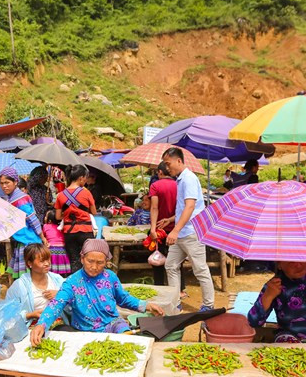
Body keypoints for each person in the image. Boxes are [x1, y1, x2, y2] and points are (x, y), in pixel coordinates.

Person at [29, 239, 164, 345]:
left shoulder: (110, 277)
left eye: (100, 262)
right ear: (82, 258)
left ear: (107, 261)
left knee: (127, 340)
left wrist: (147, 305)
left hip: (113, 324)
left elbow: (123, 298)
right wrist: (41, 324)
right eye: (90, 261)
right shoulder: (72, 282)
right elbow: (56, 304)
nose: (94, 267)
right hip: (85, 331)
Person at [5, 244, 67, 377]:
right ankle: (25, 375)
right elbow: (7, 312)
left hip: (57, 322)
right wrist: (30, 314)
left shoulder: (57, 280)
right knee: (31, 339)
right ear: (29, 264)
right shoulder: (19, 286)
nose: (47, 264)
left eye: (48, 260)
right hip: (31, 323)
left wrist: (59, 295)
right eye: (42, 261)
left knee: (61, 338)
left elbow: (72, 300)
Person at [163, 147, 215, 310]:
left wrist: (175, 230)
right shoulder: (181, 179)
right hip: (181, 232)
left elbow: (190, 206)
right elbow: (185, 207)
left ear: (178, 161)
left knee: (200, 269)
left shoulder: (188, 179)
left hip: (191, 232)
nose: (166, 167)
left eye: (168, 163)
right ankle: (176, 302)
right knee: (170, 265)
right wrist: (170, 220)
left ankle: (209, 305)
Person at [0, 167, 45, 278]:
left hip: (28, 241)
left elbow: (32, 219)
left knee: (29, 276)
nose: (4, 186)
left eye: (7, 182)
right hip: (24, 240)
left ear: (15, 182)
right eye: (1, 183)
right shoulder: (12, 198)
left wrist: (42, 236)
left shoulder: (19, 199)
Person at [55, 164, 97, 272]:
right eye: (85, 178)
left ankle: (76, 285)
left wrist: (69, 212)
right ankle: (88, 285)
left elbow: (58, 216)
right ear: (81, 177)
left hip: (69, 232)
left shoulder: (60, 195)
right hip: (85, 231)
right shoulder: (86, 192)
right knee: (89, 259)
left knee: (74, 261)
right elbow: (94, 212)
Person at [149, 162, 179, 287]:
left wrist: (152, 229)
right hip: (176, 228)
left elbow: (154, 208)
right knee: (177, 260)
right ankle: (180, 288)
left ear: (160, 172)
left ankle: (159, 285)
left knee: (158, 257)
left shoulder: (155, 186)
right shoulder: (178, 185)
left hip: (160, 229)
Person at [42, 210, 71, 276]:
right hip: (62, 249)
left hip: (51, 248)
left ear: (49, 221)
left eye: (46, 216)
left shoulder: (45, 226)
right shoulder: (61, 227)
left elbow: (43, 237)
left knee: (51, 272)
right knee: (61, 271)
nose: (45, 217)